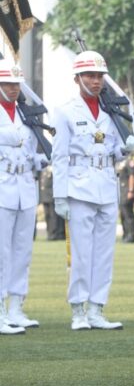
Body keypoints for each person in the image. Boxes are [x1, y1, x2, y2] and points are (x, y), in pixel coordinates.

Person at [51, 50, 134, 330]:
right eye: (90, 75)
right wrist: (59, 194)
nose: (96, 80)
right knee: (81, 253)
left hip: (105, 185)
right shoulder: (65, 110)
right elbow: (60, 156)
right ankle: (78, 310)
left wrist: (125, 149)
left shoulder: (112, 111)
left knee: (104, 253)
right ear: (77, 78)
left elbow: (112, 150)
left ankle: (97, 309)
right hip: (78, 187)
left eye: (100, 75)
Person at [0, 58, 45, 334]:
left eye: (17, 84)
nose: (14, 88)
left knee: (22, 252)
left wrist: (39, 159)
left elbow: (31, 146)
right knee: (0, 252)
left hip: (25, 186)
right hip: (2, 186)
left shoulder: (27, 114)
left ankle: (16, 306)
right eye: (8, 83)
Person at [116, 155, 134, 243]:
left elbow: (132, 176)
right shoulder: (119, 161)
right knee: (123, 215)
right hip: (120, 191)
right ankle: (126, 234)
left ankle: (131, 235)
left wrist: (131, 190)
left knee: (128, 214)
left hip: (127, 191)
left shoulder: (129, 161)